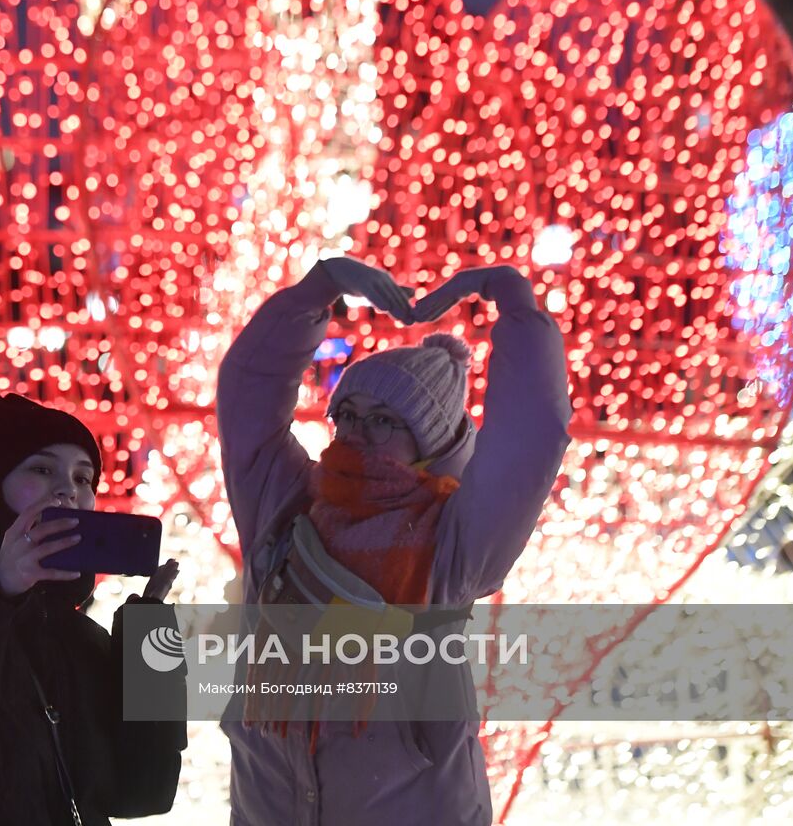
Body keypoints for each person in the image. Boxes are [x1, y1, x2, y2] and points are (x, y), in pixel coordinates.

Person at [218, 257, 572, 825]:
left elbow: (530, 440)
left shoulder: (454, 539)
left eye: (385, 420)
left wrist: (515, 302)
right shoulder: (284, 504)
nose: (358, 432)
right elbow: (247, 397)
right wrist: (318, 290)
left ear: (428, 441)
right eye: (348, 413)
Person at [0, 391, 186, 825]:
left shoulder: (80, 638)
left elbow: (143, 791)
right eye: (42, 470)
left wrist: (148, 642)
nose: (68, 489)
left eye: (84, 479)